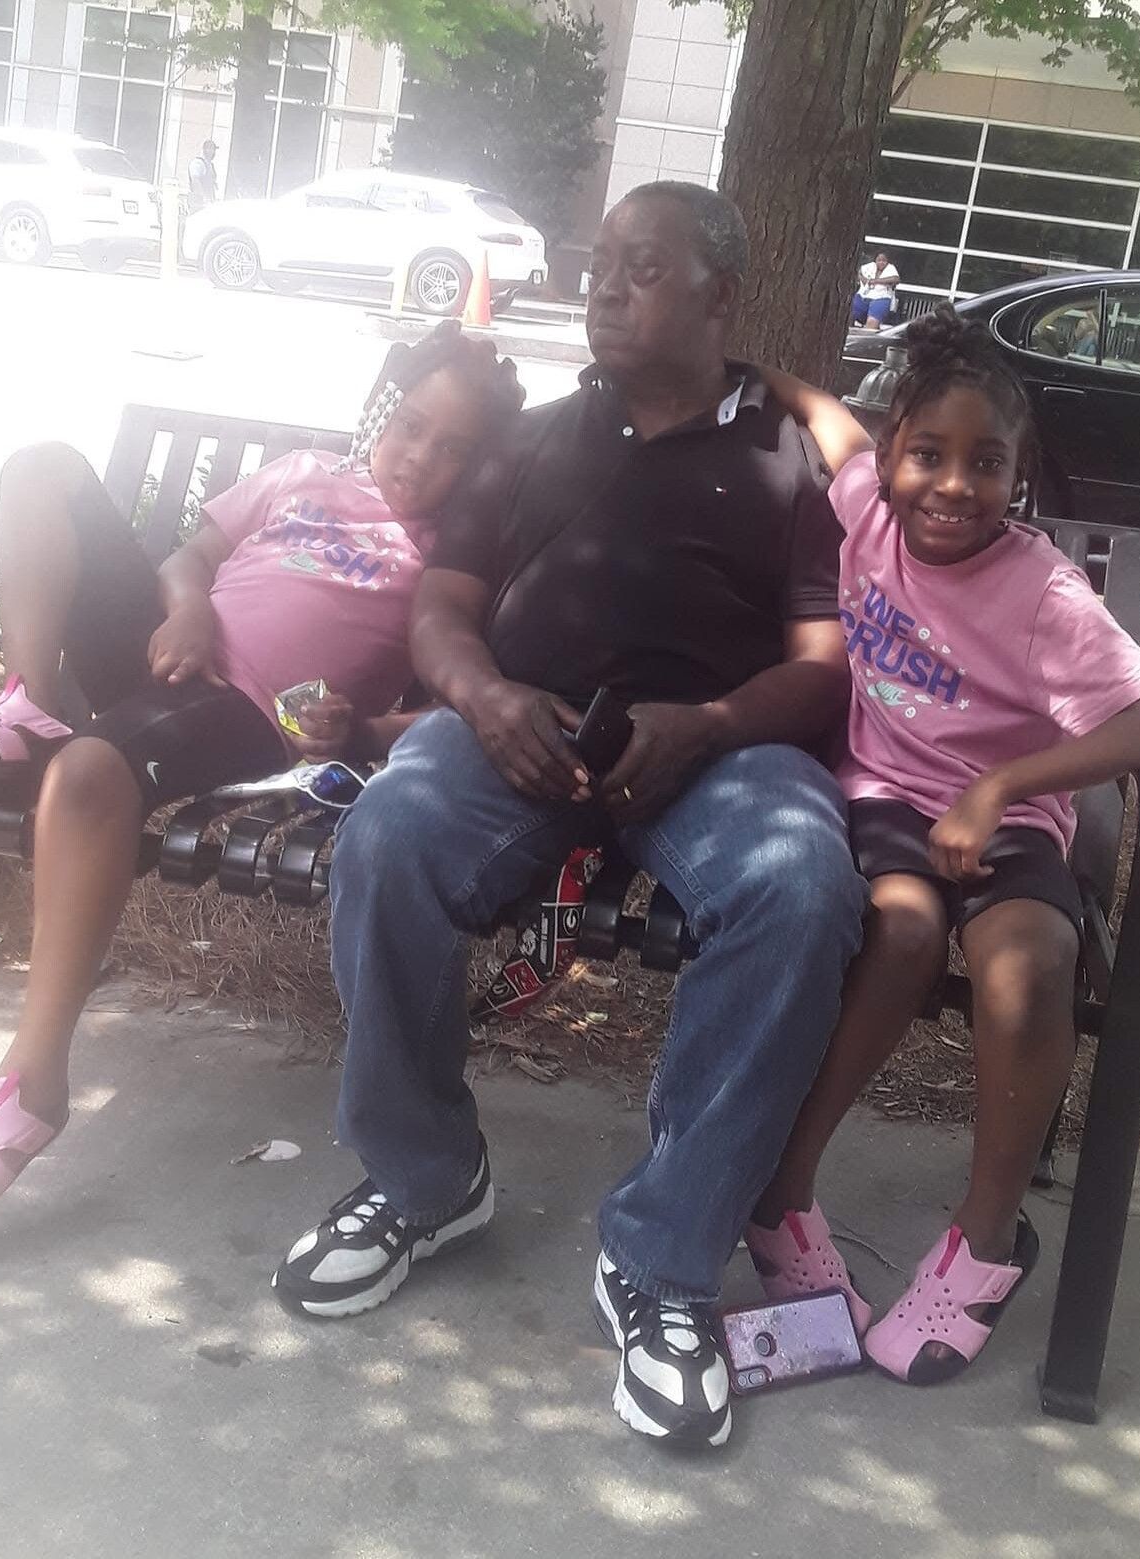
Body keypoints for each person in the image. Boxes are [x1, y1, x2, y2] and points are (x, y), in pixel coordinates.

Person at [271, 181, 869, 1451]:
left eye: (641, 266)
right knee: (391, 830)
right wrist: (482, 697)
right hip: (519, 731)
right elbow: (442, 606)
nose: (603, 285)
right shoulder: (532, 438)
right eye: (598, 260)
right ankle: (424, 1177)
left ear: (718, 294)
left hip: (719, 750)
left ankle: (662, 1256)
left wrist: (705, 724)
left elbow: (822, 666)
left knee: (799, 883)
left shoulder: (788, 463)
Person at [0, 321, 525, 1220]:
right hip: (168, 646)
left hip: (246, 712)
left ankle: (32, 1081)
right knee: (42, 468)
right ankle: (26, 701)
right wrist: (188, 608)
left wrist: (362, 730)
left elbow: (465, 693)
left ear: (482, 464)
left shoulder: (451, 559)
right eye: (411, 426)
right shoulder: (305, 473)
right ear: (387, 413)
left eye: (452, 448)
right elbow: (189, 559)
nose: (419, 456)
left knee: (88, 773)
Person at [743, 308, 1140, 1383]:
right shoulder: (866, 508)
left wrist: (1000, 785)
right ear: (894, 453)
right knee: (898, 931)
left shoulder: (1042, 592)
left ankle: (985, 1241)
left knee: (1029, 962)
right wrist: (757, 371)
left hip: (1007, 817)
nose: (952, 485)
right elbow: (831, 422)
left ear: (1017, 474)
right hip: (884, 795)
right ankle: (782, 1193)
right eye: (928, 455)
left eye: (984, 463)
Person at [851, 252, 900, 331]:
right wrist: (862, 278)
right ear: (875, 260)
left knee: (872, 323)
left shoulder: (890, 268)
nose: (881, 262)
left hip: (881, 298)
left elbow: (896, 279)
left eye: (884, 260)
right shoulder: (870, 266)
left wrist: (874, 281)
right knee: (848, 316)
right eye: (879, 260)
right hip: (863, 296)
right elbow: (858, 271)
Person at [187, 140, 219, 212]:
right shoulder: (198, 163)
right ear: (205, 149)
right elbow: (195, 181)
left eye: (214, 150)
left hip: (208, 202)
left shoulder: (210, 165)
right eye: (211, 149)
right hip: (198, 203)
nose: (213, 152)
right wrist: (204, 199)